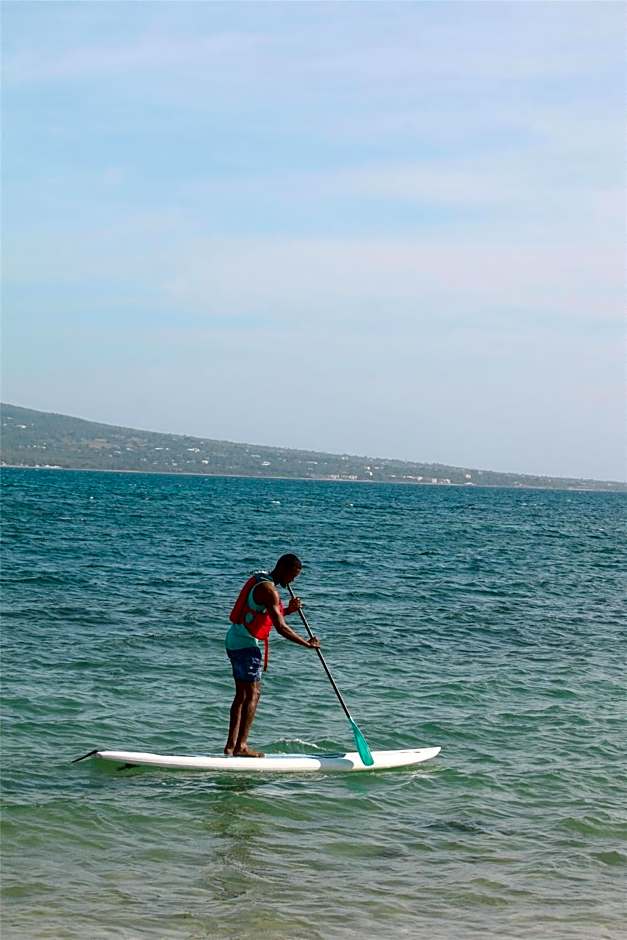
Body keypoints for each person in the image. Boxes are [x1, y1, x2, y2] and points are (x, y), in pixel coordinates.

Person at [224, 553, 320, 757]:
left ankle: (231, 746)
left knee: (242, 695)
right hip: (246, 645)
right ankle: (241, 747)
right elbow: (281, 628)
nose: (292, 581)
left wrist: (288, 610)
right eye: (292, 575)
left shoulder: (261, 579)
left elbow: (262, 613)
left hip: (234, 639)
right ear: (283, 569)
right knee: (253, 694)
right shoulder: (270, 591)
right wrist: (307, 643)